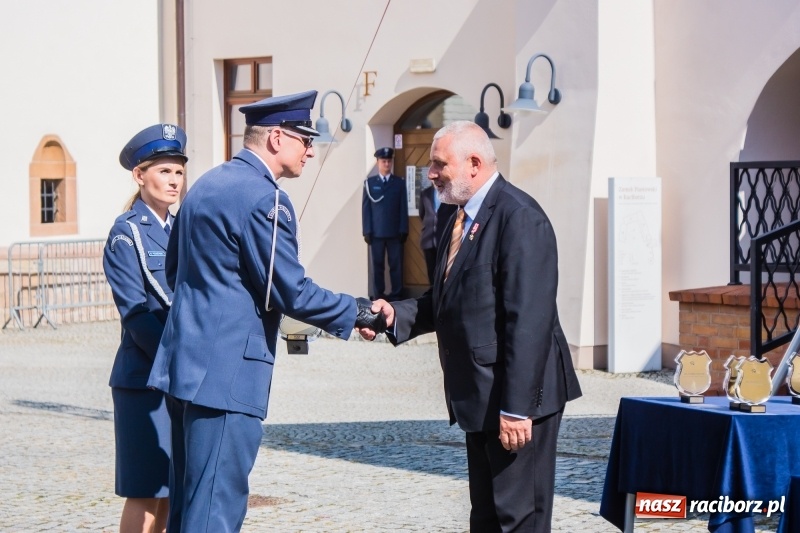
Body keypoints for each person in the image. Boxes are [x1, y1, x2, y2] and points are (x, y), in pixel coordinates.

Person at [146, 90, 385, 533]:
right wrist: (358, 311)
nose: (311, 150)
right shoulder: (265, 198)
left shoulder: (206, 185)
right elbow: (290, 291)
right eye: (304, 140)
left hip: (185, 367)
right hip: (227, 376)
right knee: (215, 511)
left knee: (187, 509)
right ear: (276, 138)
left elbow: (176, 270)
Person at [359, 121, 582, 532]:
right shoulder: (456, 215)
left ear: (474, 164)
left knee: (519, 520)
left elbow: (528, 322)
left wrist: (516, 409)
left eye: (439, 164)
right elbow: (448, 300)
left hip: (515, 403)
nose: (431, 173)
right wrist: (394, 315)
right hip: (478, 396)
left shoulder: (520, 218)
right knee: (486, 517)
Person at [103, 123, 188, 533]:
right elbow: (136, 314)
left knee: (171, 489)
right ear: (140, 176)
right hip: (144, 379)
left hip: (176, 378)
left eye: (178, 172)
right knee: (145, 490)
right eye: (164, 171)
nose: (174, 181)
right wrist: (177, 362)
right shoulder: (127, 233)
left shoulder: (180, 227)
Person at [362, 147, 409, 300]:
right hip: (376, 233)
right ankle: (379, 295)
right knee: (378, 266)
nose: (387, 164)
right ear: (378, 163)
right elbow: (366, 209)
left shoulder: (399, 183)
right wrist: (366, 231)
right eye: (384, 161)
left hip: (395, 233)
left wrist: (404, 229)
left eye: (389, 161)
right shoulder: (370, 183)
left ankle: (397, 294)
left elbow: (403, 207)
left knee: (396, 266)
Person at [418, 183, 457, 285]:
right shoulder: (425, 193)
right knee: (431, 271)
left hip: (445, 238)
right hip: (428, 239)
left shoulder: (450, 193)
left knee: (444, 271)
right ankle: (432, 297)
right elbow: (422, 214)